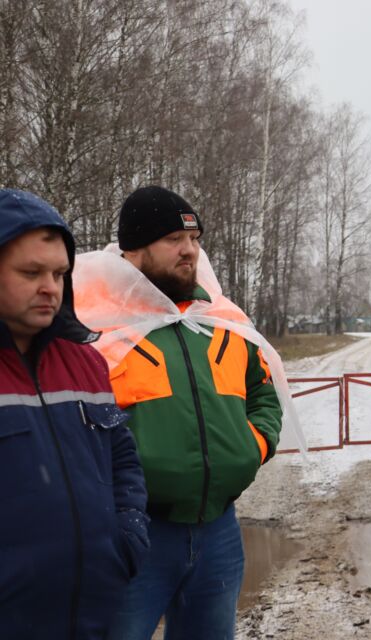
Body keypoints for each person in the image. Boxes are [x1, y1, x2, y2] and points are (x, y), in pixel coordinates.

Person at [71, 185, 284, 640]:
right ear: (134, 250)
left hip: (220, 532)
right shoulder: (95, 322)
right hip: (134, 534)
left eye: (195, 239)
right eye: (173, 239)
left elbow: (263, 393)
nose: (190, 251)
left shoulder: (220, 318)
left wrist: (253, 445)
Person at [0, 188, 148, 638]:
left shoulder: (86, 361)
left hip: (91, 615)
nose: (50, 287)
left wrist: (126, 540)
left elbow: (122, 460)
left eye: (60, 273)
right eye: (31, 272)